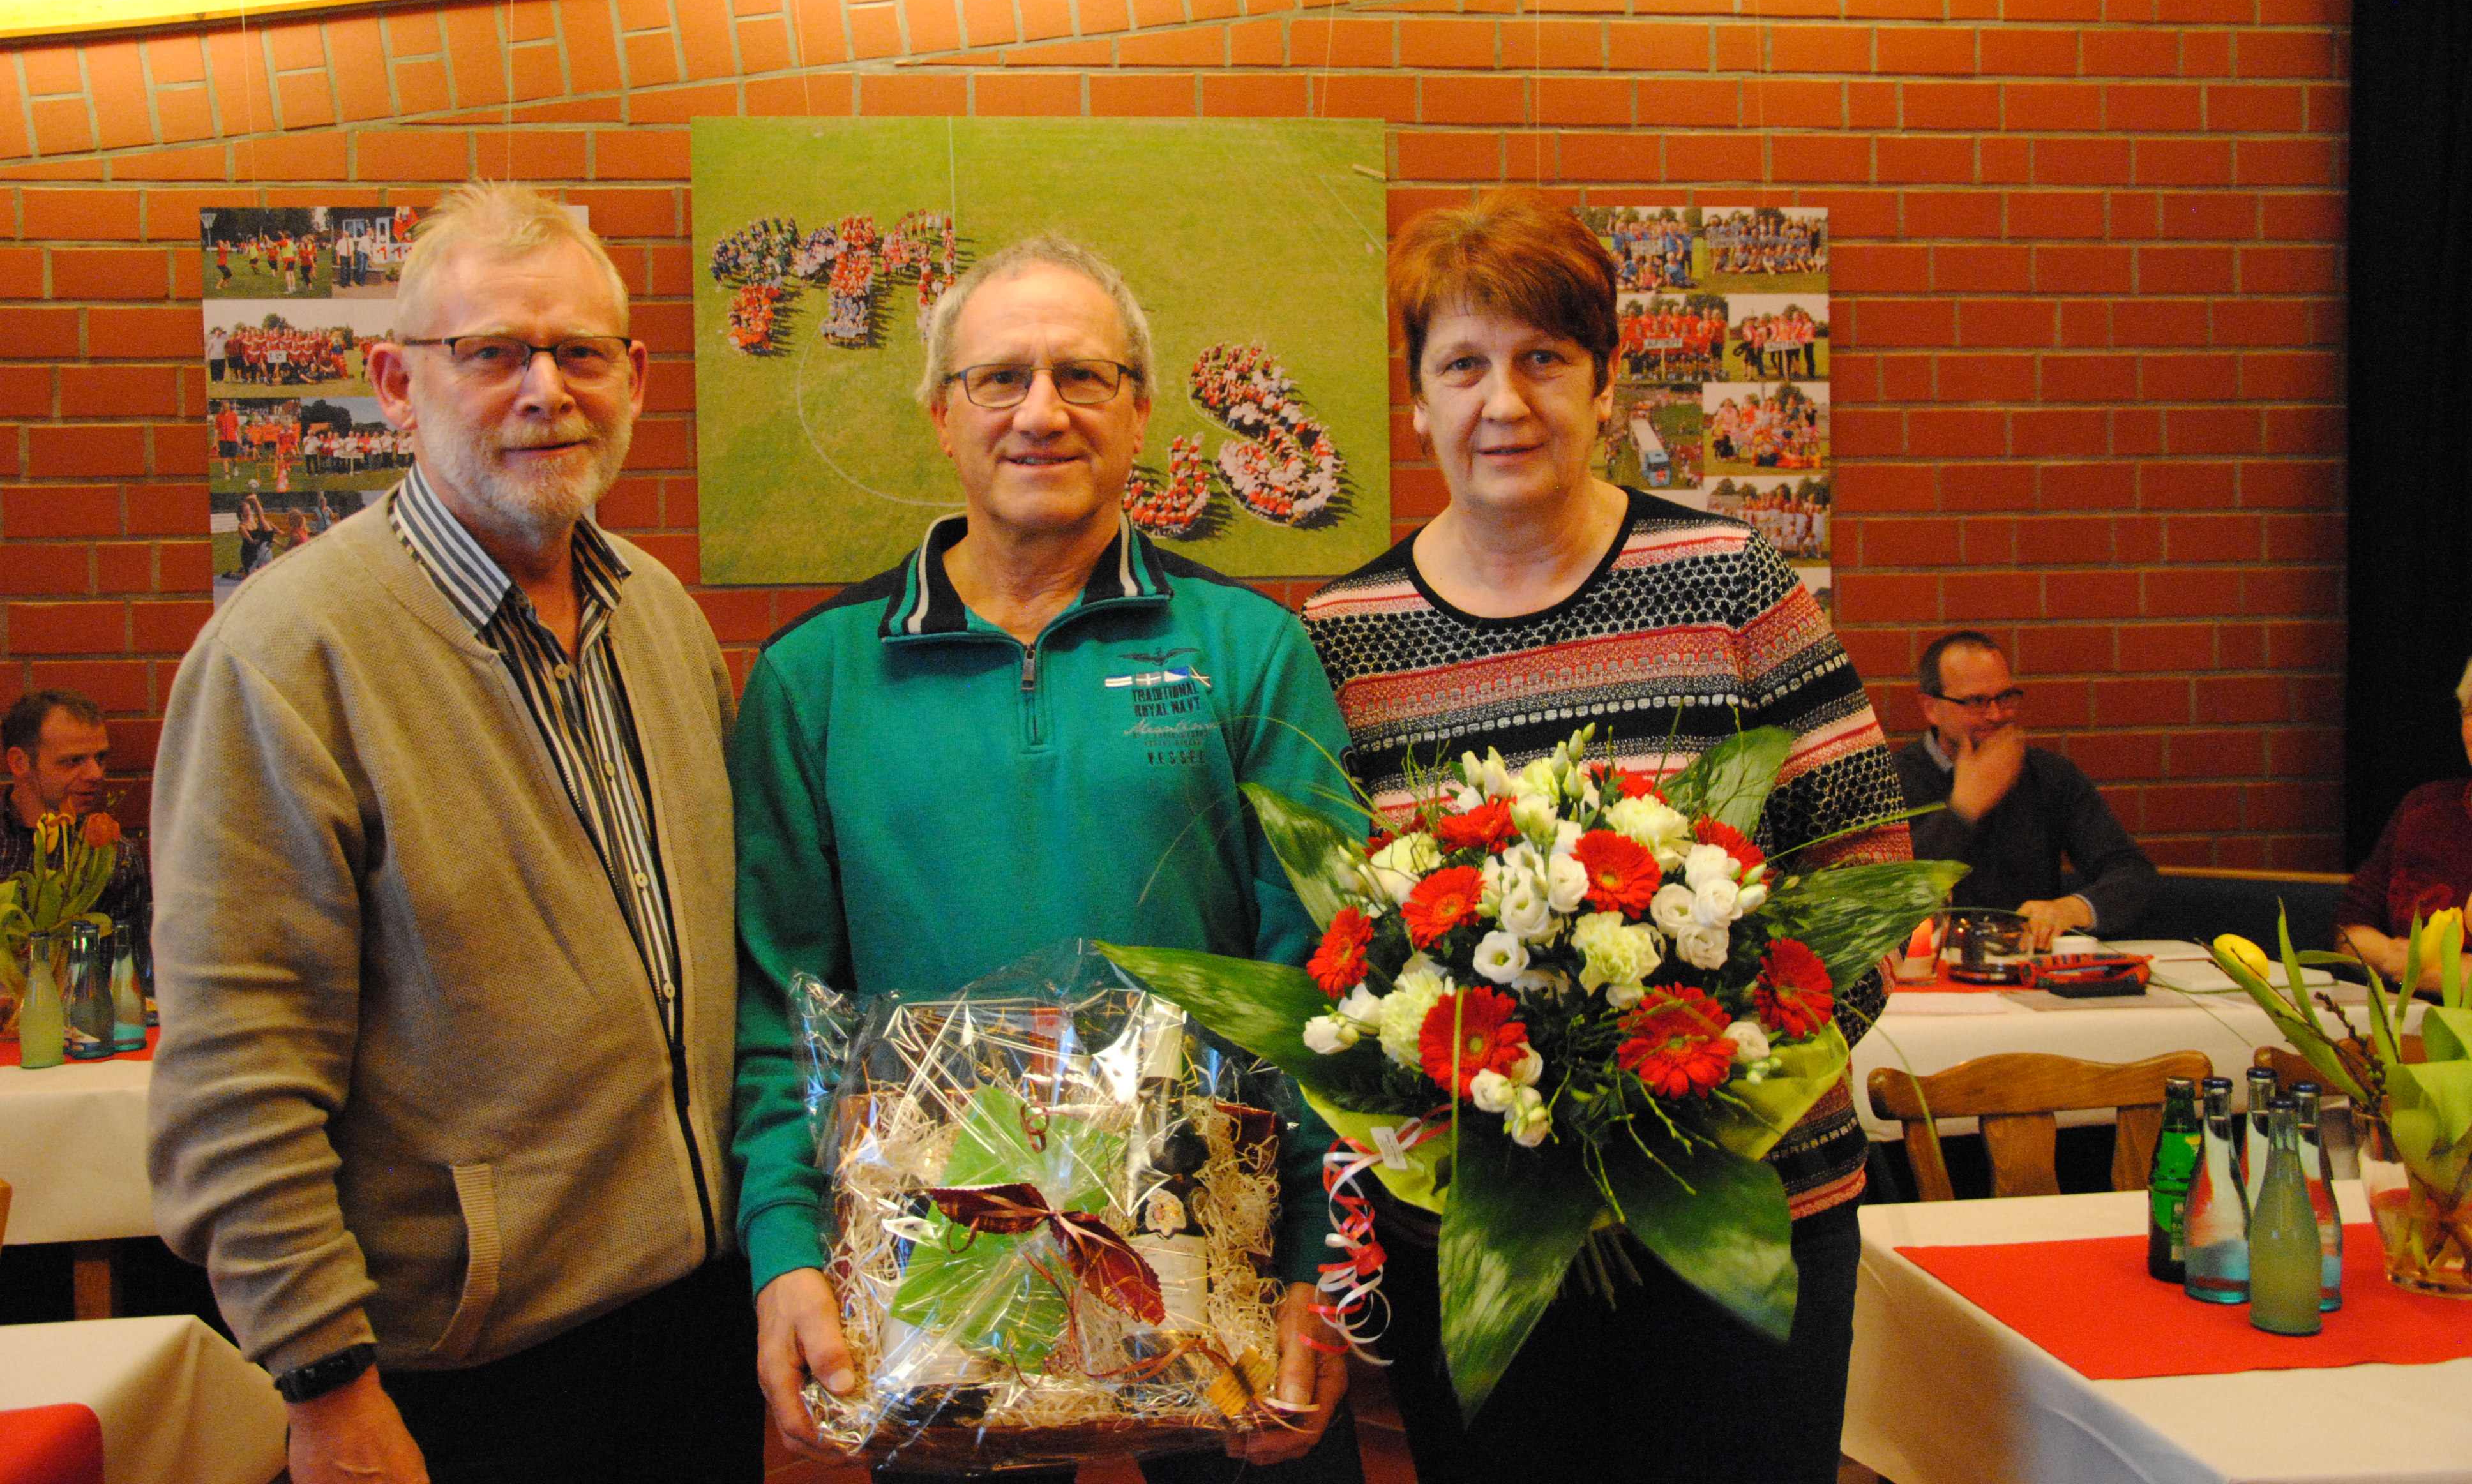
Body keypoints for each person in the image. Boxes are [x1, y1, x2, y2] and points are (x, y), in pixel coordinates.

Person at [147, 183, 757, 1484]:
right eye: (491, 352)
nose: (545, 389)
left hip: (689, 1329)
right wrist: (323, 1383)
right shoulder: (288, 655)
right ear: (392, 381)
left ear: (635, 378)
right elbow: (236, 1068)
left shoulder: (661, 619)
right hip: (453, 1378)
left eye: (581, 351)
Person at [1299, 188, 1908, 1484]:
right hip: (1483, 1247)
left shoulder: (1734, 585)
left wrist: (1700, 1103)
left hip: (1745, 1220)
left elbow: (1868, 875)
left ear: (1607, 382)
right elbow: (1342, 953)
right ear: (1414, 401)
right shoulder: (1342, 639)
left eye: (1543, 361)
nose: (1501, 404)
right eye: (1461, 366)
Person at [730, 235, 1359, 1477]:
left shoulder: (1250, 652)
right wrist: (784, 1251)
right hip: (936, 1264)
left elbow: (1327, 987)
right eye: (998, 378)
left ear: (1138, 411)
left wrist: (1318, 1266)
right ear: (939, 414)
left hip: (1216, 1259)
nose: (1040, 412)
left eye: (1082, 376)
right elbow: (775, 1004)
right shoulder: (815, 679)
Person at [1894, 631, 2158, 945]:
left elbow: (2132, 873)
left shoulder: (2050, 775)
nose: (1996, 714)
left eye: (2005, 698)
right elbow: (1881, 894)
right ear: (1930, 708)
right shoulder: (1887, 781)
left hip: (2028, 967)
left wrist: (2074, 908)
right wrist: (1963, 810)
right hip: (1922, 975)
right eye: (1976, 701)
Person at [2337, 657, 2472, 996]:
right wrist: (2394, 958)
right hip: (2404, 1022)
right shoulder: (2425, 809)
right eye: (2471, 711)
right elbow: (2349, 930)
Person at [1, 689, 151, 956]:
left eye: (100, 758)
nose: (95, 774)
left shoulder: (112, 853)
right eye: (73, 761)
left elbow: (123, 975)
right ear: (19, 762)